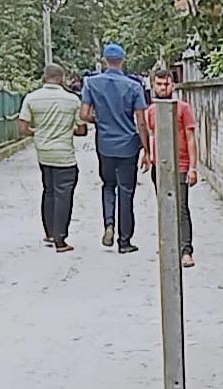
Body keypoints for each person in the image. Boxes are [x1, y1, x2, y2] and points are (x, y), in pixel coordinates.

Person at [80, 43, 152, 253]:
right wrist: (146, 150)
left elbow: (84, 114)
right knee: (126, 191)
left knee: (108, 185)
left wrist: (100, 120)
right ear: (122, 60)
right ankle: (124, 241)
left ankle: (109, 223)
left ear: (104, 60)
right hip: (128, 144)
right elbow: (141, 121)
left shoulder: (91, 83)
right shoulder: (133, 86)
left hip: (104, 143)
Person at [18, 63, 87, 253]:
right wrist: (67, 130)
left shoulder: (31, 98)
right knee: (64, 194)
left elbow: (23, 128)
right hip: (64, 155)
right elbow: (81, 129)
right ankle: (60, 239)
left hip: (43, 153)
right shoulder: (72, 100)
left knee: (48, 191)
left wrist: (39, 133)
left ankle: (49, 233)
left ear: (44, 77)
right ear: (62, 78)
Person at [145, 69, 197, 268]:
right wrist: (149, 155)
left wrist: (193, 167)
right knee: (164, 206)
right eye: (158, 84)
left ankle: (186, 250)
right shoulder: (151, 111)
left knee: (181, 208)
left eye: (166, 84)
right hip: (159, 165)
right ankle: (168, 245)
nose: (162, 88)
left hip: (181, 164)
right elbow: (152, 135)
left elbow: (191, 138)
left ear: (172, 85)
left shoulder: (183, 109)